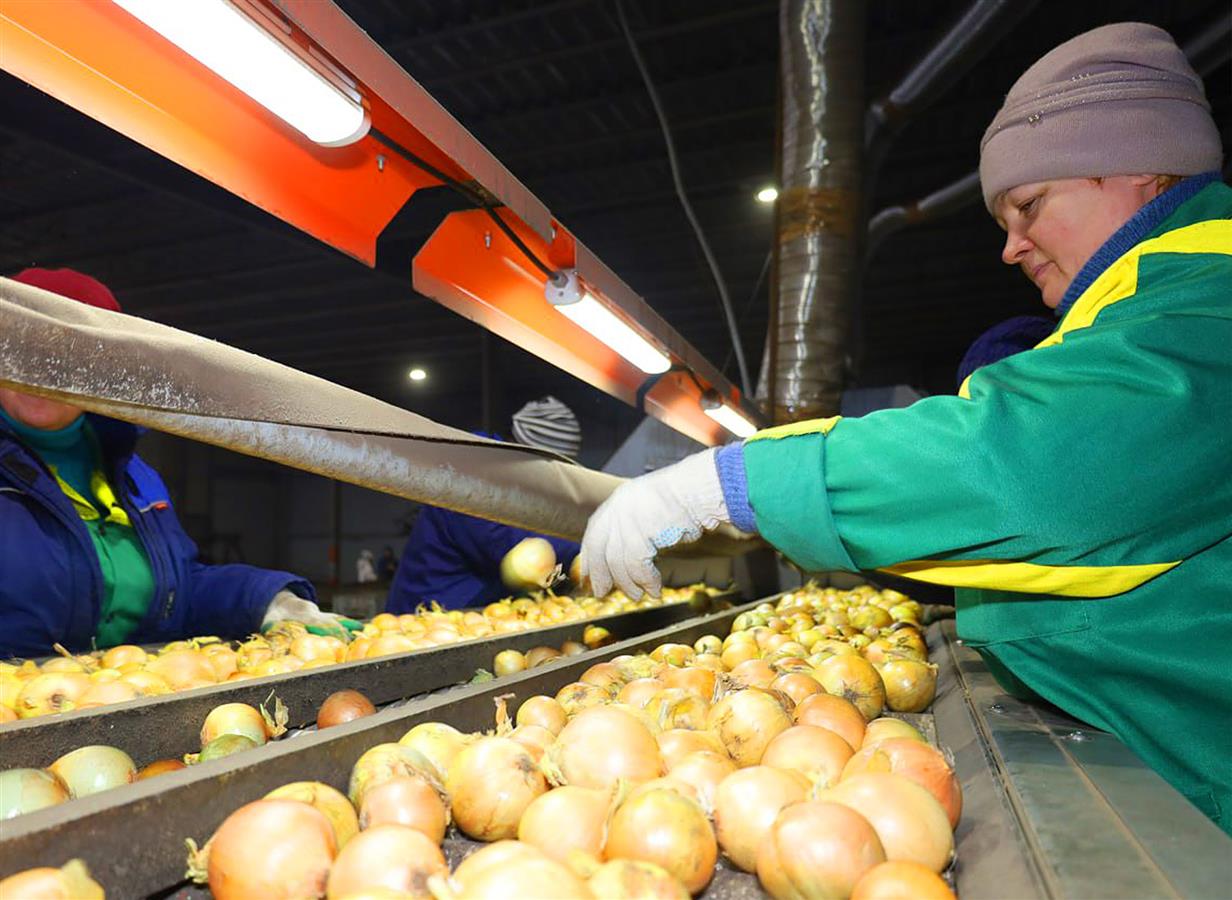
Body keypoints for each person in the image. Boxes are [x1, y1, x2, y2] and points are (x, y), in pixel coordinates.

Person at [581, 23, 1231, 832]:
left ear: (1143, 168)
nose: (1010, 247)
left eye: (1028, 205)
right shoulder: (1154, 309)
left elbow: (1025, 465)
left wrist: (736, 482)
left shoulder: (1206, 309)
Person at [1, 267, 357, 658]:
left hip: (120, 701)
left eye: (68, 352)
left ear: (100, 370)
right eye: (23, 348)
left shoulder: (134, 476)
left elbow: (178, 591)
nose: (40, 369)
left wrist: (270, 601)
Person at [387, 397, 583, 611]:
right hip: (427, 617)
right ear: (528, 454)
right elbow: (507, 545)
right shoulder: (473, 472)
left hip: (472, 613)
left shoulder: (514, 485)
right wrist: (585, 550)